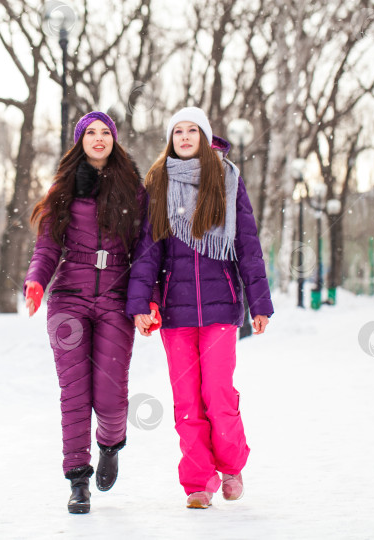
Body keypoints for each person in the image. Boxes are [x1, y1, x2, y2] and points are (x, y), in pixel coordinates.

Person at [126, 107, 274, 509]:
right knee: (187, 400)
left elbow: (247, 243)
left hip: (221, 308)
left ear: (205, 137)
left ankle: (230, 466)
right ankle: (197, 481)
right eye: (179, 131)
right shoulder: (157, 183)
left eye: (193, 130)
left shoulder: (226, 179)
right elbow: (147, 247)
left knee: (218, 393)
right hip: (175, 311)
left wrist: (259, 301)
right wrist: (141, 301)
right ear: (171, 139)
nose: (186, 137)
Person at [24, 111, 145, 514]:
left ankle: (110, 444)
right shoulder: (63, 188)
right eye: (90, 133)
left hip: (116, 296)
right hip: (69, 298)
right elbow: (47, 246)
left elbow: (146, 251)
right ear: (80, 141)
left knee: (110, 398)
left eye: (104, 132)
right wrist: (36, 281)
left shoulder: (133, 188)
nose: (97, 138)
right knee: (75, 395)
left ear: (113, 140)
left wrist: (149, 298)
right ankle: (78, 480)